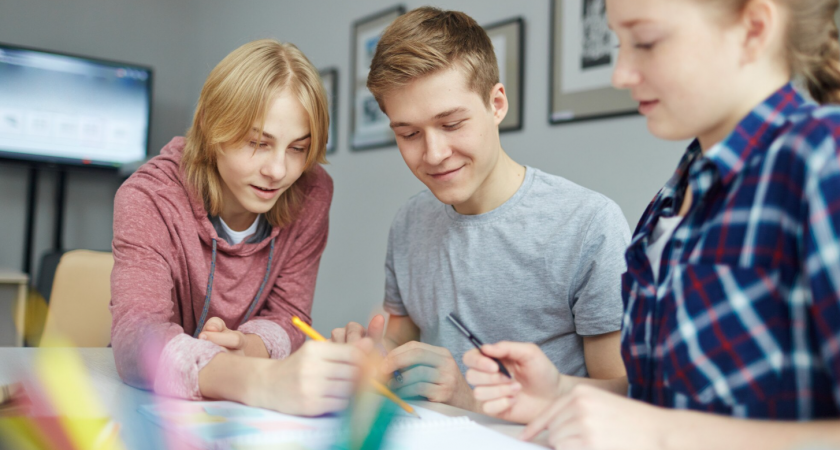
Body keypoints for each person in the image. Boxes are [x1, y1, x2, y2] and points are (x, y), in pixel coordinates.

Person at [464, 0, 840, 448]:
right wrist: (558, 393)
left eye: (646, 42)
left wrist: (660, 436)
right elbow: (666, 400)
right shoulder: (671, 199)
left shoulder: (822, 159)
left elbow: (665, 429)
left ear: (753, 29)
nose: (621, 74)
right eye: (620, 44)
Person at [331, 7, 630, 412]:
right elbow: (400, 340)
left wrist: (467, 394)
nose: (434, 154)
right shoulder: (410, 222)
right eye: (409, 134)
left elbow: (622, 395)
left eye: (452, 124)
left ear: (497, 104)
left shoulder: (589, 226)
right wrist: (373, 355)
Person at [110, 39, 370, 417]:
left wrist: (246, 347)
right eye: (258, 142)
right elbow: (137, 339)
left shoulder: (312, 192)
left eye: (298, 148)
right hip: (148, 408)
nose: (278, 171)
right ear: (210, 128)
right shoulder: (148, 197)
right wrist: (258, 379)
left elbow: (290, 316)